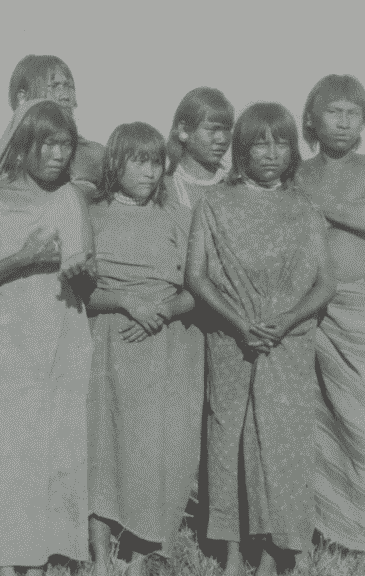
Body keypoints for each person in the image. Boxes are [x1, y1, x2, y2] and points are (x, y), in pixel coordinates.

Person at [186, 103, 334, 576]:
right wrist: (237, 322)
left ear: (292, 149)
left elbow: (325, 284)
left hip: (288, 343)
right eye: (258, 143)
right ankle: (231, 554)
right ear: (241, 150)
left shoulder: (305, 209)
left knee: (280, 443)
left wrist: (287, 321)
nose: (270, 153)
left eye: (281, 142)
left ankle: (273, 555)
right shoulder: (214, 205)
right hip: (231, 340)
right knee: (227, 438)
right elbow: (196, 276)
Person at [0, 98, 96, 576]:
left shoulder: (70, 198)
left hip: (64, 333)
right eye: (49, 144)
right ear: (24, 145)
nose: (59, 156)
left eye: (66, 145)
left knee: (56, 444)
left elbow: (83, 277)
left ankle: (41, 555)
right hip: (8, 336)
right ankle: (4, 557)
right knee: (11, 447)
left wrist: (81, 270)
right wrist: (23, 258)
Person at [85, 123, 202, 576]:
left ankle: (138, 553)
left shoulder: (177, 217)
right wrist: (125, 301)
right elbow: (81, 293)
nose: (149, 172)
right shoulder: (91, 215)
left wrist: (165, 310)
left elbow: (198, 289)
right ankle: (99, 556)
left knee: (156, 447)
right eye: (138, 160)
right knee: (105, 441)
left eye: (155, 162)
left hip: (168, 346)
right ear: (115, 162)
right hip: (110, 341)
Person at [296, 74, 365, 553]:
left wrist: (328, 210)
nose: (343, 123)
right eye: (333, 112)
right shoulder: (297, 173)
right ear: (312, 121)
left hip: (358, 311)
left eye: (353, 113)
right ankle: (336, 530)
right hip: (311, 314)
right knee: (321, 420)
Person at [6, 55, 104, 192]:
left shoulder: (93, 155)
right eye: (55, 86)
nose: (65, 96)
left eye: (68, 86)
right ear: (23, 98)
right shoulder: (4, 158)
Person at [164, 87, 235, 209]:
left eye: (227, 129)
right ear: (184, 129)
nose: (222, 139)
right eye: (213, 129)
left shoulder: (237, 188)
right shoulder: (162, 190)